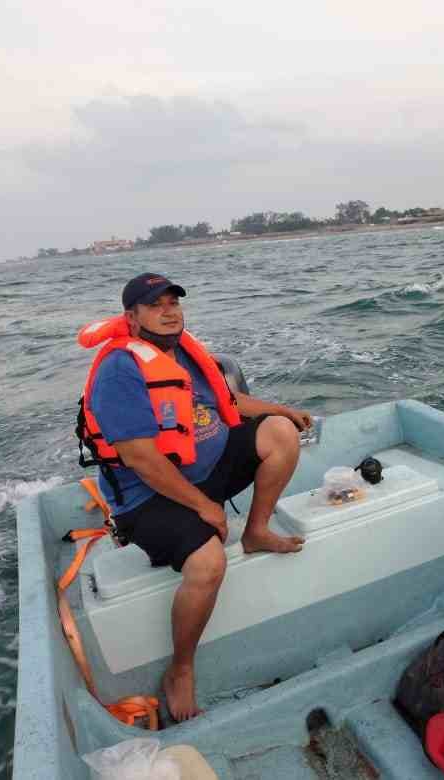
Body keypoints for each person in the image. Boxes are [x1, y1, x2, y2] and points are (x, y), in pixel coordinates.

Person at [76, 272, 314, 721]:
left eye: (173, 302)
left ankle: (257, 531)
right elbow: (142, 459)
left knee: (281, 434)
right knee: (208, 563)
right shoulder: (119, 371)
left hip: (205, 471)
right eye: (155, 305)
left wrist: (283, 410)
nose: (169, 311)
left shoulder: (186, 350)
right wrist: (205, 507)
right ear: (131, 316)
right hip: (146, 496)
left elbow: (230, 402)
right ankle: (180, 669)